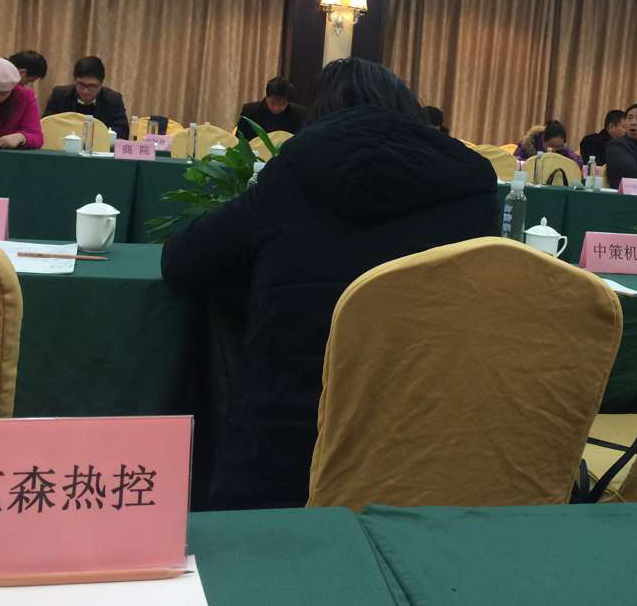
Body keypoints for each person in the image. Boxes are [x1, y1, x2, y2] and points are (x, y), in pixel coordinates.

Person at [161, 57, 497, 510]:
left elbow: (183, 261)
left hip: (285, 445)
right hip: (428, 439)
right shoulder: (471, 184)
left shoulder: (295, 171)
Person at [43, 56, 128, 140]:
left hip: (99, 146)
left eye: (91, 86)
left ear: (101, 84)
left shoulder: (113, 100)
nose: (85, 91)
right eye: (81, 84)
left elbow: (122, 131)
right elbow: (46, 125)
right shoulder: (59, 95)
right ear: (75, 80)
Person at [237, 76, 307, 136]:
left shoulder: (299, 114)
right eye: (273, 103)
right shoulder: (249, 111)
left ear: (288, 101)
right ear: (267, 97)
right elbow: (239, 139)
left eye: (282, 104)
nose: (276, 108)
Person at [515, 120, 583, 171]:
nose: (554, 150)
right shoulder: (527, 145)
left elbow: (577, 163)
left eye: (558, 147)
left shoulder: (563, 148)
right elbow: (517, 162)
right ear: (543, 139)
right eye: (551, 146)